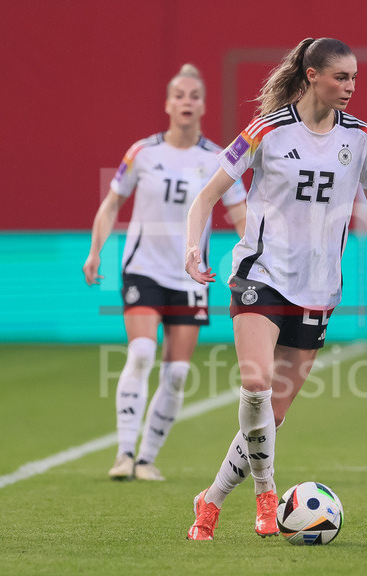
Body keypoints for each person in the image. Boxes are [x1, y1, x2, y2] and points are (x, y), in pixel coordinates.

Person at [183, 37, 367, 541]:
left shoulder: (362, 138)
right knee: (257, 384)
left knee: (272, 416)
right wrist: (192, 249)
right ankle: (267, 492)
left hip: (318, 291)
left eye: (354, 78)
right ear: (311, 74)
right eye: (340, 77)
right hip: (259, 277)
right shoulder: (266, 131)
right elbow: (206, 197)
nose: (350, 87)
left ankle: (211, 499)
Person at [84, 64, 247, 482]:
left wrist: (251, 257)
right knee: (140, 353)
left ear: (203, 105)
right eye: (179, 95)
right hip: (143, 270)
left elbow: (238, 211)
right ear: (168, 104)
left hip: (190, 277)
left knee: (176, 373)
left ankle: (146, 459)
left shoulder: (218, 159)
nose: (186, 102)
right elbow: (111, 203)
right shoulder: (143, 153)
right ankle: (123, 453)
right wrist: (95, 250)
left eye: (194, 96)